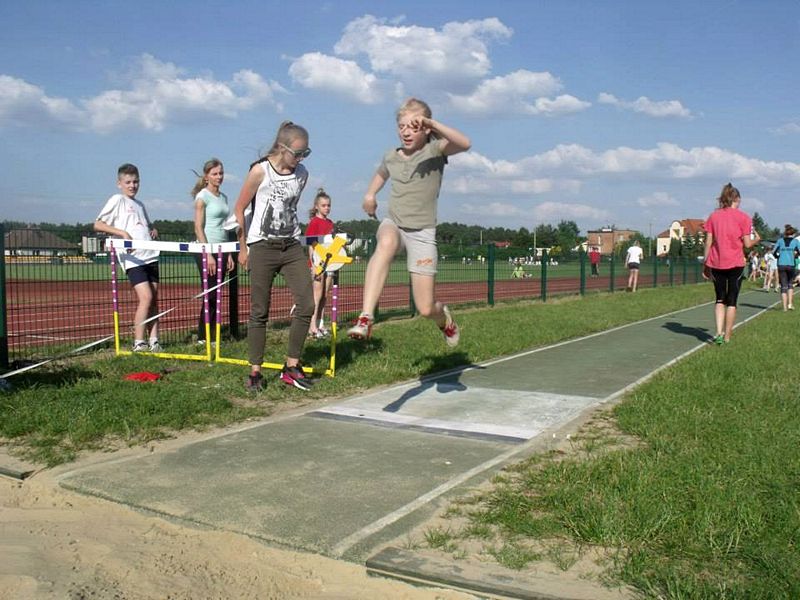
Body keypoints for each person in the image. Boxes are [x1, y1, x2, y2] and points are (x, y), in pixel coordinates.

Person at [347, 98, 471, 345]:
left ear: (426, 130)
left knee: (426, 308)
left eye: (413, 127)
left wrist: (431, 122)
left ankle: (444, 320)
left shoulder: (434, 151)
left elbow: (464, 143)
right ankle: (366, 317)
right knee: (386, 243)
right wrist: (370, 195)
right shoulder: (391, 156)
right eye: (401, 126)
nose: (405, 132)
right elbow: (381, 174)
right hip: (394, 222)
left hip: (422, 232)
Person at [233, 121, 315, 392]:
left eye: (305, 153)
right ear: (282, 148)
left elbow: (290, 207)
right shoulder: (260, 171)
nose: (301, 159)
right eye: (297, 153)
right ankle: (255, 370)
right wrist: (243, 247)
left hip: (290, 245)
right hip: (262, 246)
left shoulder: (302, 174)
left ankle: (291, 366)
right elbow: (240, 207)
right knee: (259, 311)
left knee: (307, 305)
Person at [94, 163, 161, 352]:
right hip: (133, 259)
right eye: (128, 182)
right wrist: (121, 233)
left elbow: (146, 224)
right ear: (120, 183)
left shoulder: (140, 204)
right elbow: (98, 224)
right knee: (146, 298)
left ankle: (154, 341)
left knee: (154, 299)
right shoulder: (117, 200)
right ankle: (139, 343)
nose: (132, 186)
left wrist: (152, 229)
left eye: (136, 182)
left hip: (150, 256)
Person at [702, 182, 761, 345]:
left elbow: (708, 242)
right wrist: (757, 239)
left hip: (716, 262)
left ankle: (719, 332)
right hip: (735, 263)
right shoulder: (744, 217)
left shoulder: (713, 216)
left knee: (720, 299)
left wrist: (705, 264)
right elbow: (748, 244)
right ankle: (727, 336)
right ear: (737, 199)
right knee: (732, 300)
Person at [192, 158, 235, 346]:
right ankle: (203, 336)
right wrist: (207, 253)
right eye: (215, 173)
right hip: (207, 249)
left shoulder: (224, 197)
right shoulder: (202, 196)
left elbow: (226, 226)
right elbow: (198, 227)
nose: (219, 177)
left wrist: (230, 254)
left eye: (221, 173)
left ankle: (213, 334)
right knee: (209, 292)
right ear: (207, 176)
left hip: (223, 248)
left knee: (217, 293)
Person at [304, 188, 335, 338]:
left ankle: (320, 324)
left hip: (330, 264)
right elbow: (310, 245)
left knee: (324, 295)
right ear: (316, 206)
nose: (327, 208)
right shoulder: (314, 223)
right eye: (323, 205)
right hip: (317, 264)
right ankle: (312, 327)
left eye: (328, 205)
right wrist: (313, 264)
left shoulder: (330, 223)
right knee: (316, 296)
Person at [772, 224, 800, 311]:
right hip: (791, 264)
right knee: (790, 284)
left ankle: (784, 308)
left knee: (783, 285)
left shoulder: (780, 241)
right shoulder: (795, 242)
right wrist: (795, 256)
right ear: (793, 233)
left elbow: (774, 252)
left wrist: (778, 257)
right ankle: (790, 304)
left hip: (781, 264)